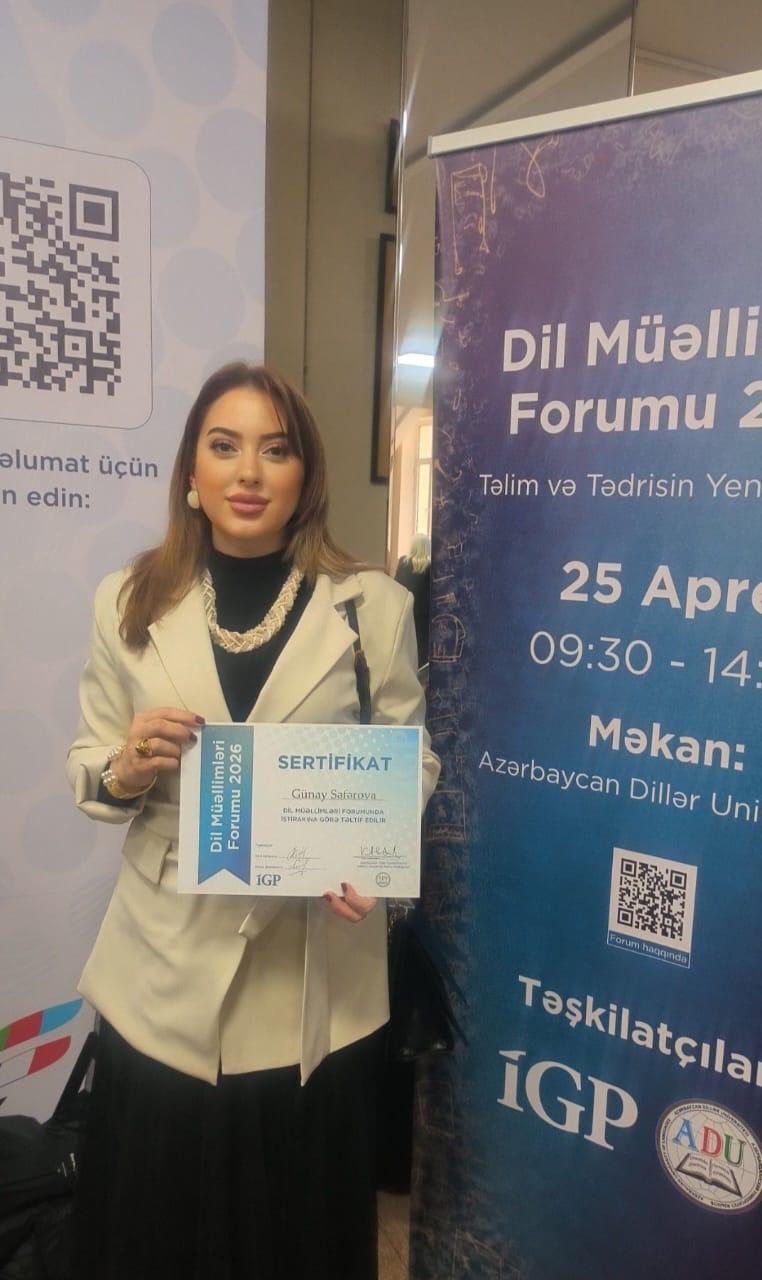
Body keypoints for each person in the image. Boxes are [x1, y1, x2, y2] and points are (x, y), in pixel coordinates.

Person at [66, 363, 440, 1280]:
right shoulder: (128, 601)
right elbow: (91, 763)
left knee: (294, 1231)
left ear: (305, 476)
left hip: (314, 974)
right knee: (156, 1229)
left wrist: (370, 853)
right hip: (163, 970)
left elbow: (412, 757)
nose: (248, 471)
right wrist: (125, 765)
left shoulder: (374, 607)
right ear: (191, 472)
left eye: (276, 450)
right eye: (224, 446)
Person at [394, 533, 431, 668]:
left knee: (405, 648)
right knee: (421, 650)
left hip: (404, 611)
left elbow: (396, 585)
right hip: (423, 617)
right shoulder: (430, 566)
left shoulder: (402, 563)